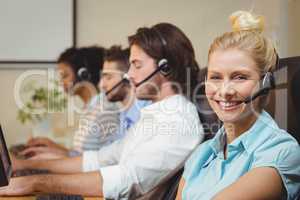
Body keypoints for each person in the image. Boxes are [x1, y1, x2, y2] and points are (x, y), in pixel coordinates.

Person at [0, 23, 204, 199]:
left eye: (136, 65)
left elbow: (126, 180)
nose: (128, 75)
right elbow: (99, 159)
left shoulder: (179, 122)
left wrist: (36, 183)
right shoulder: (155, 115)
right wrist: (25, 167)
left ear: (165, 67)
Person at [176, 11, 300, 200]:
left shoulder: (282, 152)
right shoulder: (201, 154)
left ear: (267, 82)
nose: (225, 91)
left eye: (240, 77)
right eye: (215, 77)